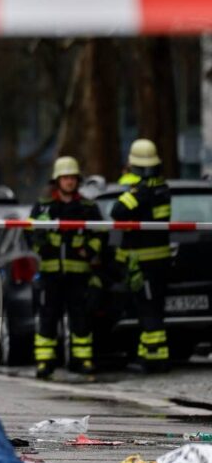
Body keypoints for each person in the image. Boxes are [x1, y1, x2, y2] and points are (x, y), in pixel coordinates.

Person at [29, 157, 103, 379]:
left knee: (80, 318)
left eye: (72, 178)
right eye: (65, 178)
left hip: (78, 274)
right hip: (51, 274)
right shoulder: (43, 207)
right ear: (57, 180)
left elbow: (100, 235)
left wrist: (88, 251)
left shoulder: (88, 208)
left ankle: (83, 360)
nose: (69, 182)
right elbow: (28, 234)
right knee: (48, 318)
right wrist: (40, 244)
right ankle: (45, 362)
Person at [110, 139, 172, 373]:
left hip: (146, 262)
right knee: (152, 309)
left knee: (149, 311)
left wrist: (131, 191)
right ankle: (149, 354)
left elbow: (117, 211)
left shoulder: (143, 192)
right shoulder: (162, 189)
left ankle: (155, 358)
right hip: (160, 261)